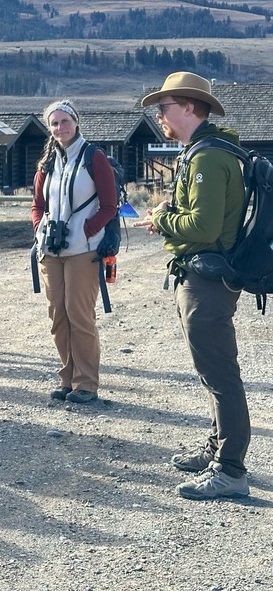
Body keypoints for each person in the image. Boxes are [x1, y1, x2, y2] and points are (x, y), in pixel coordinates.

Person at [140, 71, 250, 500]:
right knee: (212, 372)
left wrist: (162, 219)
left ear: (189, 107)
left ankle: (231, 470)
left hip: (207, 278)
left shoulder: (207, 158)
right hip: (205, 274)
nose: (159, 115)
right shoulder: (205, 151)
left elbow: (202, 227)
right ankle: (218, 451)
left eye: (164, 107)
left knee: (220, 374)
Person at [30, 100, 117, 404]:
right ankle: (67, 378)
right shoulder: (47, 163)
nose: (60, 128)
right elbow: (37, 204)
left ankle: (86, 384)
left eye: (65, 121)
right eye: (54, 123)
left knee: (79, 315)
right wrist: (40, 228)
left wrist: (86, 231)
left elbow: (109, 206)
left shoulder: (95, 158)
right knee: (58, 316)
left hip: (84, 250)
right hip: (51, 250)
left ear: (76, 122)